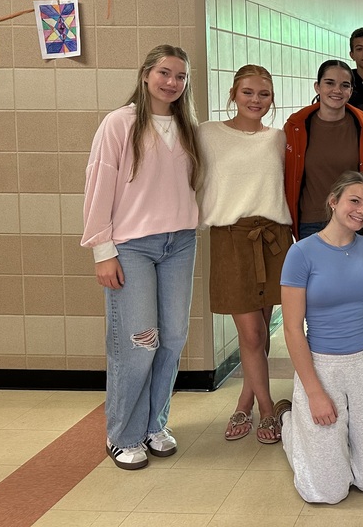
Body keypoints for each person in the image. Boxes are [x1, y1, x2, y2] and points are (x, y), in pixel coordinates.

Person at [82, 44, 201, 470]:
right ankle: (123, 435)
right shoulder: (120, 122)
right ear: (146, 73)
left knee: (171, 339)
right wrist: (102, 250)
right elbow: (98, 184)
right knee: (137, 344)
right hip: (131, 246)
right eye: (165, 73)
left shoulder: (189, 126)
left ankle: (154, 425)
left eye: (181, 77)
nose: (172, 82)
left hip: (180, 243)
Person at [275, 172, 363, 503]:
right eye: (354, 201)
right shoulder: (301, 253)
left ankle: (335, 440)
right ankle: (291, 424)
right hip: (322, 365)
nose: (362, 210)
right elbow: (292, 329)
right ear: (333, 201)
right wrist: (315, 393)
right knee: (329, 491)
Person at [198, 64, 292, 444]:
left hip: (274, 239)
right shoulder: (208, 133)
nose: (256, 100)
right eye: (248, 92)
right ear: (233, 94)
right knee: (251, 334)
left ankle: (245, 401)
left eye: (264, 94)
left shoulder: (278, 138)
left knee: (262, 333)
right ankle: (267, 411)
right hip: (231, 239)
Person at [284, 60, 363, 240]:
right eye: (329, 83)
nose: (337, 90)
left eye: (344, 85)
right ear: (317, 87)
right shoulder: (295, 128)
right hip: (311, 222)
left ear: (351, 91)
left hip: (353, 219)